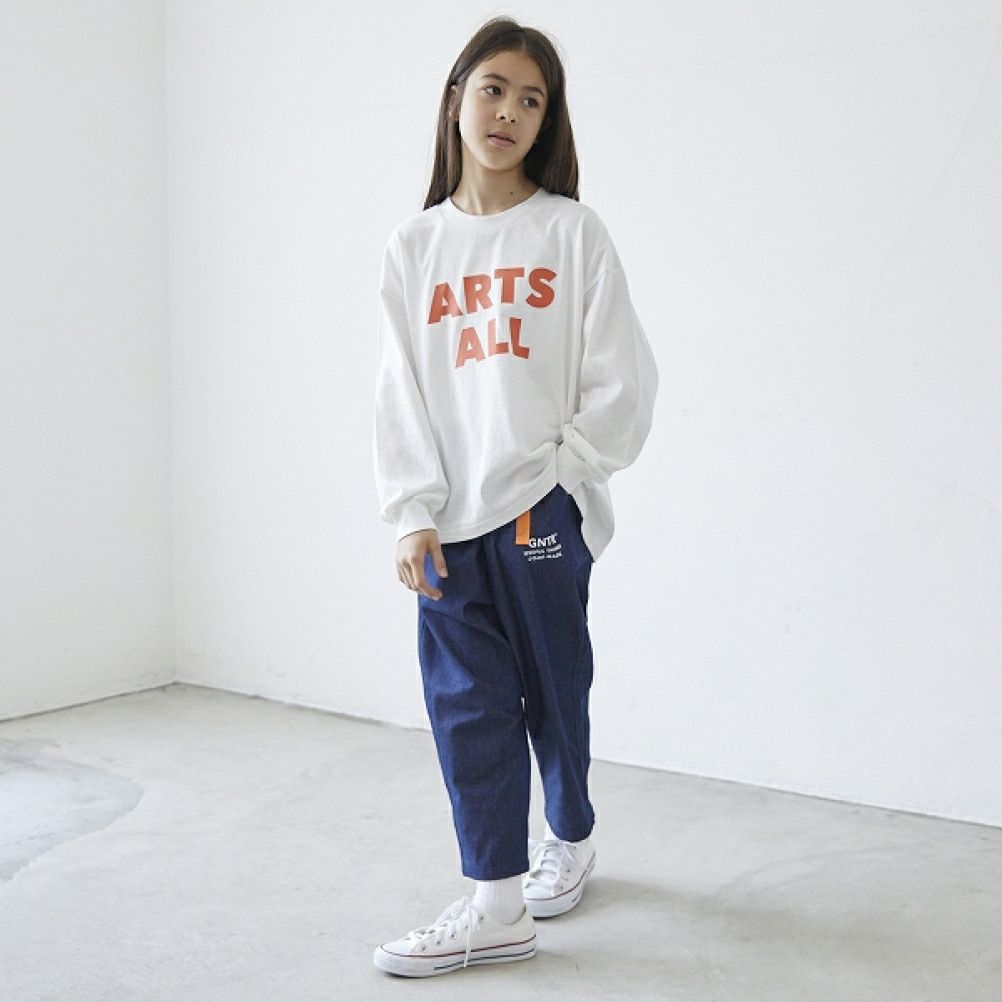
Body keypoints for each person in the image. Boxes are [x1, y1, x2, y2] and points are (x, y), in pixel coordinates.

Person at [370, 15, 658, 978]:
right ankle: (495, 903)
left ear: (547, 120)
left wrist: (568, 479)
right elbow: (398, 390)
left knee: (554, 691)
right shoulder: (415, 245)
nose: (509, 113)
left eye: (531, 100)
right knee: (467, 707)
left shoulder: (571, 232)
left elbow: (623, 378)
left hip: (540, 507)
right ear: (456, 98)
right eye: (493, 89)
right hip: (450, 522)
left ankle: (570, 835)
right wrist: (411, 511)